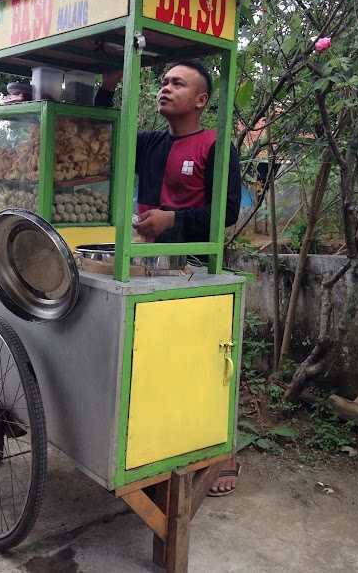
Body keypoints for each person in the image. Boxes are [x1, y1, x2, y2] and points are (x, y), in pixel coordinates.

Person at [96, 60, 241, 495]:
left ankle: (222, 455)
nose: (165, 88)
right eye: (163, 81)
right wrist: (106, 90)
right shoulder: (149, 143)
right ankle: (157, 449)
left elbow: (226, 214)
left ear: (200, 100)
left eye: (178, 83)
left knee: (202, 362)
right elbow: (104, 141)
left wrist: (171, 222)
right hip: (146, 264)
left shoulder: (217, 146)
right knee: (154, 362)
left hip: (194, 268)